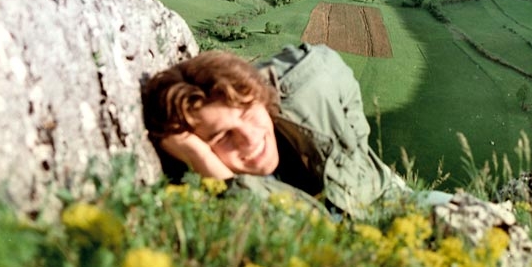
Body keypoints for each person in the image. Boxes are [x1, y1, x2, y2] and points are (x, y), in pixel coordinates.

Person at [142, 42, 417, 218]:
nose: (250, 140)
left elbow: (329, 65)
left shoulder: (305, 82)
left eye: (248, 113)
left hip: (390, 195)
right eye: (222, 136)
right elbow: (305, 231)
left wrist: (355, 146)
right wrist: (212, 169)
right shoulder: (196, 193)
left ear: (261, 98)